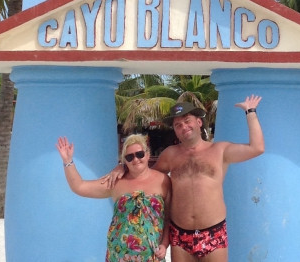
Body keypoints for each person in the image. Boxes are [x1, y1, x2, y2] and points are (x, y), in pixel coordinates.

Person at [106, 96, 264, 261]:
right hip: (180, 235)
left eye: (187, 121)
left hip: (213, 232)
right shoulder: (170, 154)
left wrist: (250, 112)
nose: (184, 127)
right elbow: (144, 175)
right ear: (175, 130)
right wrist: (123, 167)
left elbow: (257, 148)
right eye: (178, 125)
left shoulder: (220, 150)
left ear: (199, 122)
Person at [57, 133, 171, 261]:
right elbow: (79, 186)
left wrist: (164, 244)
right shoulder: (115, 182)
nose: (135, 159)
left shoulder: (163, 181)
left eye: (139, 154)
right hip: (119, 254)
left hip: (152, 255)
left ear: (148, 154)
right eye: (129, 157)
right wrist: (68, 161)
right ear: (124, 161)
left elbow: (168, 218)